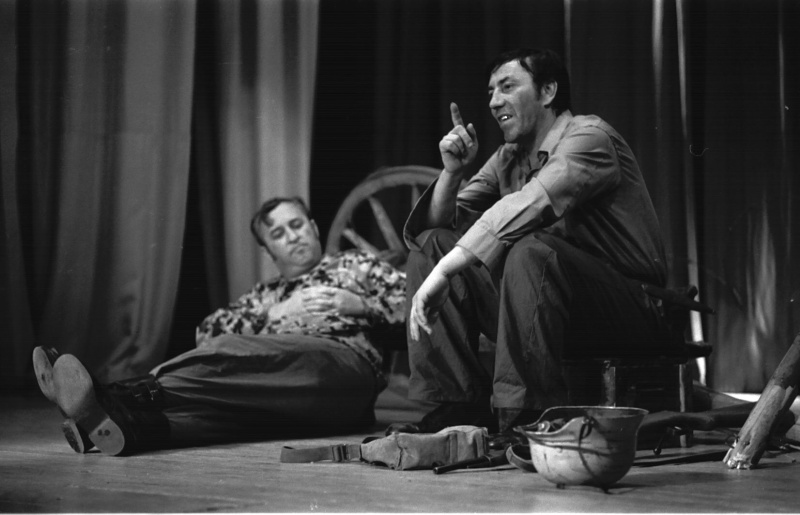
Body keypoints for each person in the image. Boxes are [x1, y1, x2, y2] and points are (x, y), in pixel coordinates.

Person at [387, 48, 672, 436]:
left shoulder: (590, 137)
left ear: (548, 91)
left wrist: (445, 272)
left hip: (628, 308)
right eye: (491, 92)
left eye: (507, 87)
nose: (494, 101)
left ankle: (525, 416)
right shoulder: (508, 157)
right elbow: (439, 228)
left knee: (530, 250)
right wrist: (452, 174)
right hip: (545, 303)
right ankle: (457, 407)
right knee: (433, 245)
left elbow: (534, 201)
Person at [33, 196, 406, 456]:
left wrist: (361, 305)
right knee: (216, 415)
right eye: (278, 233)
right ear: (268, 251)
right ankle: (119, 426)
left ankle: (109, 395)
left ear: (313, 227)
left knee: (234, 348)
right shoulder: (265, 295)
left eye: (296, 225)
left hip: (344, 373)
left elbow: (418, 306)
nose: (292, 236)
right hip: (283, 395)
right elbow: (207, 334)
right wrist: (274, 314)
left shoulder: (355, 265)